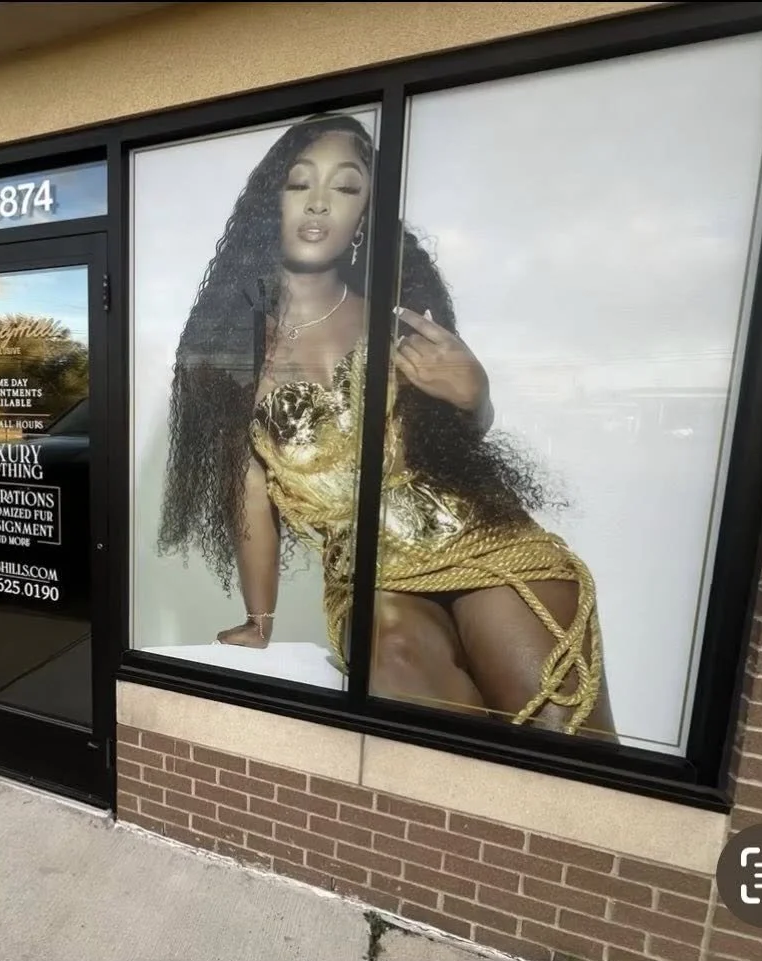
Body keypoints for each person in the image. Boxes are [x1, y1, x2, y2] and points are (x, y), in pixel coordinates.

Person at [156, 112, 616, 739]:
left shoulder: (400, 317)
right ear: (271, 205)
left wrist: (477, 396)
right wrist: (259, 619)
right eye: (299, 183)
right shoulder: (227, 347)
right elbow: (249, 493)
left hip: (491, 546)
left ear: (363, 218)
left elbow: (452, 442)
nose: (320, 202)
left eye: (346, 187)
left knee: (564, 735)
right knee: (405, 689)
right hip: (370, 575)